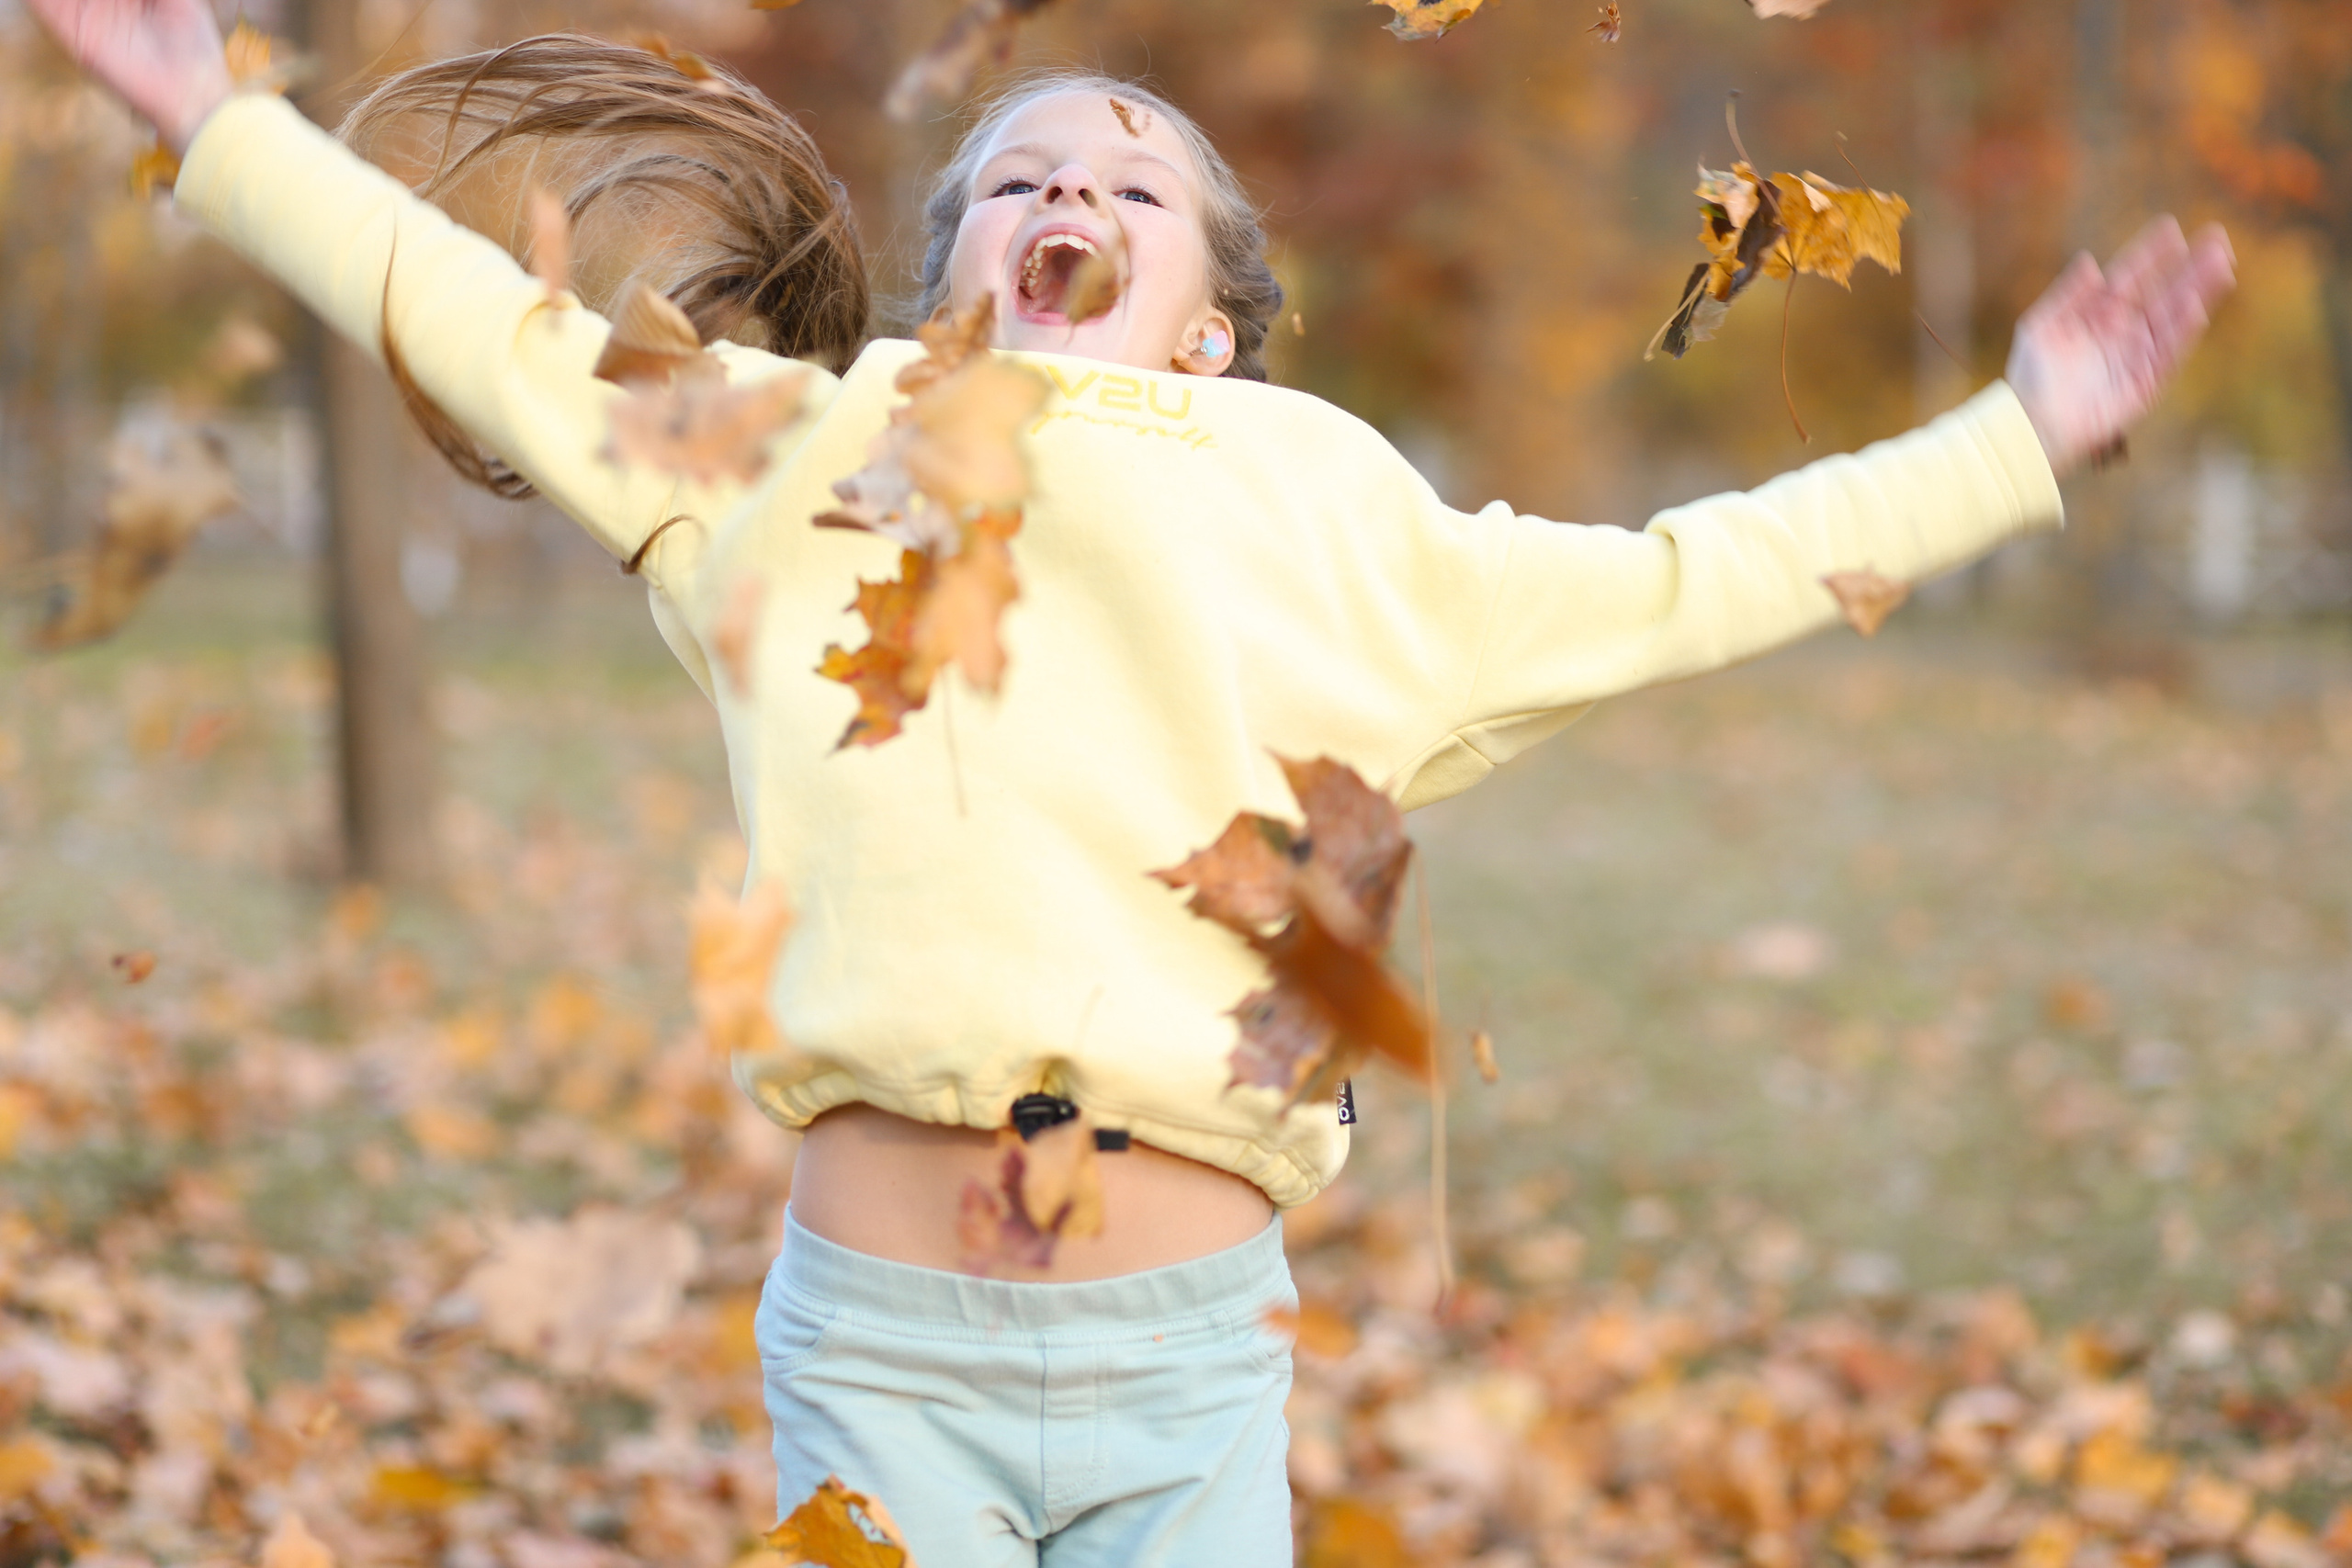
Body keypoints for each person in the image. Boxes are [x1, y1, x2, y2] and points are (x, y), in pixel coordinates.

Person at [27, 4, 2235, 1562]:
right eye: (1014, 174)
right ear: (951, 279)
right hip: (877, 1350)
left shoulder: (1336, 508)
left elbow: (1693, 575)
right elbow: (474, 325)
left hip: (1191, 1366)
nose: (1068, 178)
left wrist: (2012, 433)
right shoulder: (795, 441)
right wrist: (216, 124)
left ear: (1206, 315)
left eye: (1131, 174)